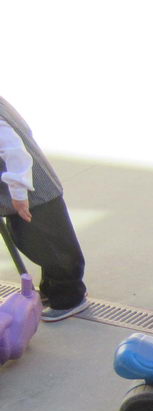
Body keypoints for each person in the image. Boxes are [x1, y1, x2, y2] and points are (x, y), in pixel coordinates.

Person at [0, 96, 89, 322]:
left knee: (51, 245)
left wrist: (19, 193)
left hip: (31, 190)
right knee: (37, 242)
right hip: (22, 188)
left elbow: (15, 151)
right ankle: (52, 289)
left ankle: (70, 297)